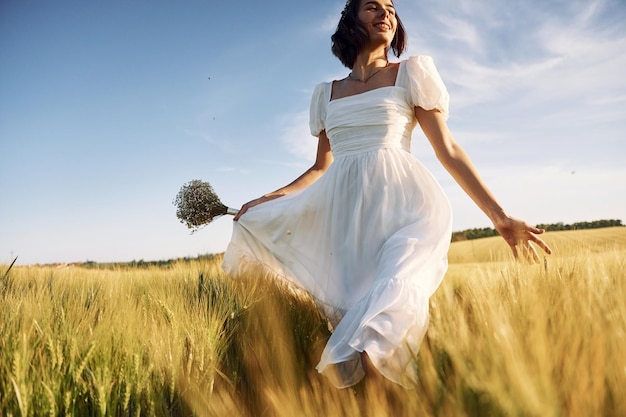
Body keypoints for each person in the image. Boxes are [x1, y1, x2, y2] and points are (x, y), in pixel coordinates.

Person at [222, 0, 552, 388]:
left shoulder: (411, 74)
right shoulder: (325, 94)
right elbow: (319, 168)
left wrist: (499, 217)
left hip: (408, 211)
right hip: (348, 223)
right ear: (350, 22)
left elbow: (448, 149)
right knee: (363, 346)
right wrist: (268, 200)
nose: (386, 15)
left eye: (392, 10)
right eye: (373, 8)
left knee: (381, 328)